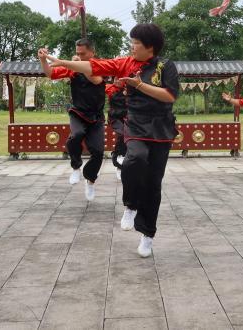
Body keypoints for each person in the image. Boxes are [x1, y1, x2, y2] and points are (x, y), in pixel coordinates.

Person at [45, 23, 178, 258]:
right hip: (136, 124)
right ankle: (130, 204)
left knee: (153, 184)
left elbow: (169, 96)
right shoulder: (125, 62)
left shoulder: (166, 66)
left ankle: (147, 235)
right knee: (133, 160)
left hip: (161, 127)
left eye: (136, 43)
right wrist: (64, 62)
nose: (132, 46)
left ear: (150, 47)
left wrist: (139, 85)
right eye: (132, 42)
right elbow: (94, 65)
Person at [38, 39, 105, 202]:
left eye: (83, 54)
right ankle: (76, 166)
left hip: (96, 116)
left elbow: (96, 80)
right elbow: (50, 74)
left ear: (92, 52)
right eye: (78, 53)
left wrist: (78, 66)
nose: (79, 56)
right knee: (77, 135)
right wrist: (42, 59)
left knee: (98, 152)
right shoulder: (72, 68)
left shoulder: (102, 65)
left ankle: (90, 180)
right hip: (78, 112)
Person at [106, 80, 127, 182]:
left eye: (120, 79)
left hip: (127, 118)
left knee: (129, 140)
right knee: (123, 133)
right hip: (114, 118)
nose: (117, 81)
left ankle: (121, 165)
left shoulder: (129, 88)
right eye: (116, 78)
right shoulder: (109, 88)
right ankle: (117, 157)